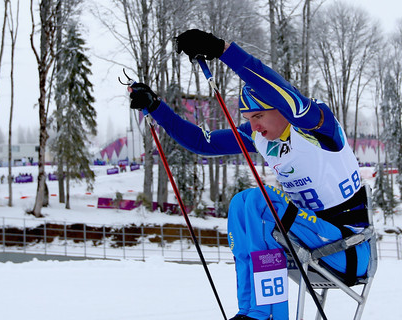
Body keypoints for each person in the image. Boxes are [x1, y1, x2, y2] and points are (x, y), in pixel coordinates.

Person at [128, 29, 371, 320]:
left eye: (258, 116)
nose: (254, 127)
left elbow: (280, 92)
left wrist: (223, 50)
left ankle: (267, 316)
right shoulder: (261, 138)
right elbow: (201, 142)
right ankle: (254, 310)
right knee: (242, 203)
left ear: (280, 107)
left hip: (349, 249)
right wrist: (156, 107)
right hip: (311, 241)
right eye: (248, 119)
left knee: (258, 200)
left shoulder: (316, 125)